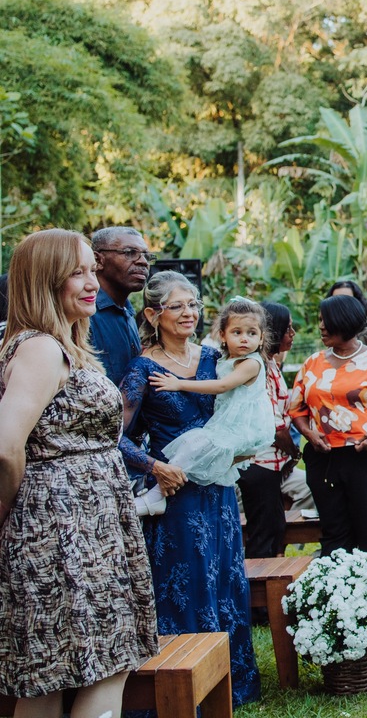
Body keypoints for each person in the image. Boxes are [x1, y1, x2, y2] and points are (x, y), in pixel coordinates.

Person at [0, 229, 157, 716]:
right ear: (45, 280)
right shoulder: (41, 349)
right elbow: (6, 446)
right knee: (84, 668)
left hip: (91, 526)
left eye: (93, 269)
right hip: (63, 530)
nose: (92, 282)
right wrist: (8, 511)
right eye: (77, 272)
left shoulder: (62, 344)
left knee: (65, 671)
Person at [120, 270, 260, 706]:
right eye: (177, 306)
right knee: (186, 582)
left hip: (217, 491)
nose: (189, 313)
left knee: (224, 578)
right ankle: (180, 691)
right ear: (152, 313)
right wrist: (154, 466)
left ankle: (231, 685)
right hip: (174, 495)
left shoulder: (215, 359)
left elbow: (241, 409)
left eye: (194, 304)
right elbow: (112, 435)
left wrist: (242, 449)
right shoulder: (142, 367)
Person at [287, 294, 367, 557]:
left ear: (344, 322)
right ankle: (338, 589)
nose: (321, 326)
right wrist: (309, 434)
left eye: (326, 321)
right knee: (334, 530)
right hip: (324, 459)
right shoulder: (313, 363)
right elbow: (296, 409)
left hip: (366, 457)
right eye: (320, 320)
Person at [134, 299, 275, 514]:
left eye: (252, 333)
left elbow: (222, 385)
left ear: (262, 338)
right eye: (237, 332)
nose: (245, 338)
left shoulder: (251, 363)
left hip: (244, 426)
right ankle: (160, 493)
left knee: (196, 447)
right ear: (223, 336)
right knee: (193, 450)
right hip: (230, 421)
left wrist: (179, 383)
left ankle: (155, 496)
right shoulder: (222, 359)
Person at [238, 302, 307, 558]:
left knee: (275, 528)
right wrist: (294, 452)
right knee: (263, 535)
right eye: (288, 328)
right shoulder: (260, 368)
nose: (293, 334)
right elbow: (274, 425)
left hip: (271, 465)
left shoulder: (272, 364)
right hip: (259, 464)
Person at [90, 226, 155, 385]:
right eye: (129, 253)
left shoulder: (128, 314)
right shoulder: (85, 314)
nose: (143, 262)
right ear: (98, 260)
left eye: (146, 256)